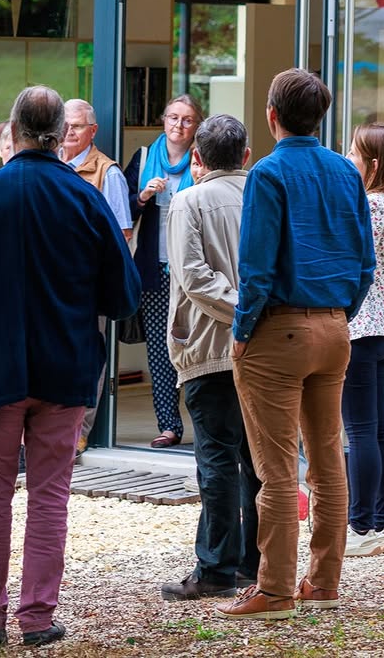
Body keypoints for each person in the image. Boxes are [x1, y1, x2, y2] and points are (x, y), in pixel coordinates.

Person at [0, 87, 141, 647]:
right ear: (56, 135)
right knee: (50, 497)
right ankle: (39, 618)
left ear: (14, 132)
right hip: (65, 369)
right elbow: (123, 295)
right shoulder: (84, 196)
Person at [217, 69, 374, 621]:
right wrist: (340, 313)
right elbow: (365, 264)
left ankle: (275, 590)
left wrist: (241, 332)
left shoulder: (268, 172)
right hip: (335, 326)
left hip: (279, 329)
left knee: (277, 469)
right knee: (328, 459)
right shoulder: (343, 171)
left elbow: (256, 267)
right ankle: (324, 582)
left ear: (271, 116)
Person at [160, 115, 260, 601]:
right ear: (245, 155)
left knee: (218, 457)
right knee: (254, 460)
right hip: (260, 344)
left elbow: (193, 277)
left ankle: (218, 568)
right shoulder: (265, 195)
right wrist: (257, 310)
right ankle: (251, 563)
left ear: (196, 158)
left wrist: (241, 309)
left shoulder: (188, 200)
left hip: (208, 346)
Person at [341, 124, 384, 556]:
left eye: (353, 153)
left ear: (372, 163)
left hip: (364, 326)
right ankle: (383, 524)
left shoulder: (369, 205)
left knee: (361, 431)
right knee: (382, 428)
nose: (348, 159)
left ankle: (361, 526)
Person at [124, 94, 205, 448]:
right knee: (160, 351)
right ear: (163, 120)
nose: (178, 125)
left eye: (187, 120)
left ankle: (205, 426)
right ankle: (169, 425)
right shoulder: (144, 159)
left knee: (199, 352)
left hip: (193, 272)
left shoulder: (202, 162)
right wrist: (142, 197)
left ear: (196, 126)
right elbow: (122, 211)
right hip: (154, 269)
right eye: (173, 117)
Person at [59, 99, 131, 454]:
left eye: (76, 126)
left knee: (88, 357)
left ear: (93, 131)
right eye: (65, 125)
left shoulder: (108, 173)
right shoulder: (50, 165)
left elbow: (121, 235)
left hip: (86, 284)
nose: (69, 132)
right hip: (49, 282)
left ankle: (80, 429)